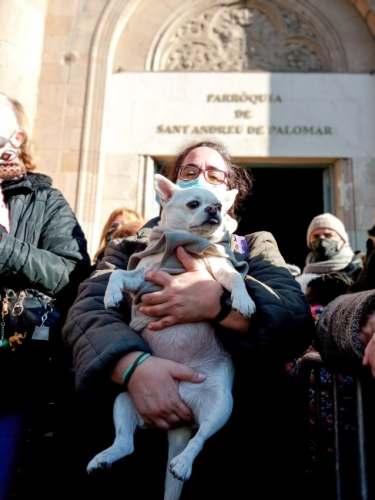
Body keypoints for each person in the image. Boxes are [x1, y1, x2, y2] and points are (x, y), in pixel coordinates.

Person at [62, 140, 314, 499]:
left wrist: (218, 305)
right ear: (170, 191)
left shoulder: (253, 247)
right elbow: (85, 313)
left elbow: (294, 321)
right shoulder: (131, 248)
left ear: (227, 195)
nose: (202, 179)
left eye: (214, 175)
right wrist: (133, 367)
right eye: (190, 172)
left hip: (238, 444)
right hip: (141, 437)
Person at [0, 93, 91, 500]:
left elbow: (69, 274)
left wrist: (3, 248)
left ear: (17, 138)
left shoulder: (46, 201)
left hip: (13, 374)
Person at [296, 213, 362, 293]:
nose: (322, 240)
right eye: (316, 236)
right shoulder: (300, 282)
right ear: (309, 242)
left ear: (343, 240)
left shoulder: (359, 271)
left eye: (328, 235)